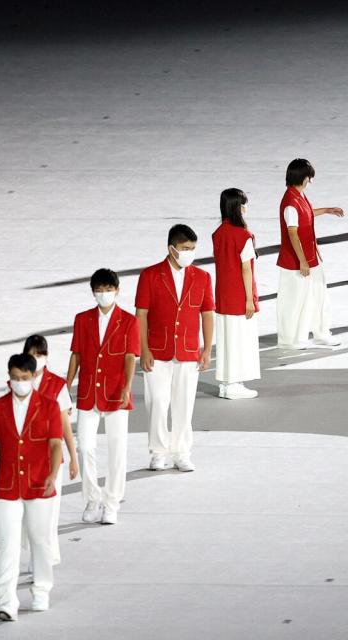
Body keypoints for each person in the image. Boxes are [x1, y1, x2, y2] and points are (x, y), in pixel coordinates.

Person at [0, 354, 63, 621]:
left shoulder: (49, 406)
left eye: (24, 379)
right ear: (9, 378)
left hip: (39, 484)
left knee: (40, 541)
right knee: (7, 544)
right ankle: (7, 602)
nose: (19, 383)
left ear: (32, 377)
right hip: (7, 486)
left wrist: (53, 473)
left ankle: (41, 590)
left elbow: (54, 443)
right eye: (15, 379)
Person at [136, 225, 214, 472]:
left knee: (184, 404)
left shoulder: (202, 278)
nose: (190, 253)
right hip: (157, 352)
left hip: (188, 352)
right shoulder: (150, 275)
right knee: (157, 402)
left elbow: (207, 314)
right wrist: (144, 349)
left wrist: (207, 349)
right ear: (172, 249)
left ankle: (181, 451)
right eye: (185, 249)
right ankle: (158, 452)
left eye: (192, 249)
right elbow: (141, 315)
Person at [67, 268, 139, 523]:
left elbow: (130, 356)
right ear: (93, 292)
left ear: (117, 290)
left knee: (117, 449)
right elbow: (76, 354)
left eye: (108, 289)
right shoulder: (82, 319)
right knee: (85, 446)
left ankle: (111, 503)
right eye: (99, 290)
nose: (104, 294)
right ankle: (92, 498)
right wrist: (67, 386)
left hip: (116, 393)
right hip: (88, 392)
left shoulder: (129, 321)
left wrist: (127, 387)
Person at [277, 158, 345, 349]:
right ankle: (289, 340)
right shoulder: (290, 202)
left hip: (311, 256)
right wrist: (302, 261)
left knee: (318, 297)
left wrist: (327, 210)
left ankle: (321, 333)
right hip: (297, 261)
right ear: (303, 178)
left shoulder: (299, 195)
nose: (311, 181)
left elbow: (306, 213)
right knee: (295, 300)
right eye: (309, 177)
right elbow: (292, 232)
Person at [20, 335, 76, 566]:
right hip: (25, 459)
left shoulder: (57, 385)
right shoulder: (19, 382)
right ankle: (38, 555)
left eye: (40, 354)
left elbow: (64, 424)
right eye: (32, 354)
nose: (37, 358)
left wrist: (73, 457)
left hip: (52, 458)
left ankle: (45, 556)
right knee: (29, 512)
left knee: (50, 511)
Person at [212, 188, 260, 400]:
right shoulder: (244, 235)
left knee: (226, 339)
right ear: (238, 208)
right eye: (244, 203)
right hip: (240, 296)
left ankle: (226, 383)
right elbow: (246, 268)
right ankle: (234, 384)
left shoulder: (218, 234)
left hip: (223, 294)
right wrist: (249, 299)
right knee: (240, 340)